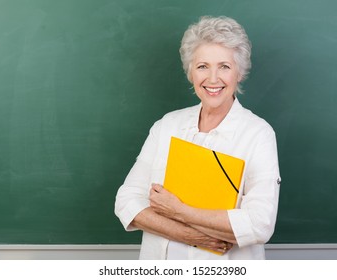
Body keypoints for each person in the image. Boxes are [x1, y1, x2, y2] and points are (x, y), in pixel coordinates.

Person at [115, 16, 281, 260]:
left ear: (239, 73)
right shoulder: (166, 126)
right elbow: (126, 202)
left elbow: (259, 224)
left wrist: (179, 211)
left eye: (224, 66)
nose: (213, 79)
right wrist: (193, 236)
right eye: (202, 66)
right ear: (190, 72)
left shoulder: (258, 134)